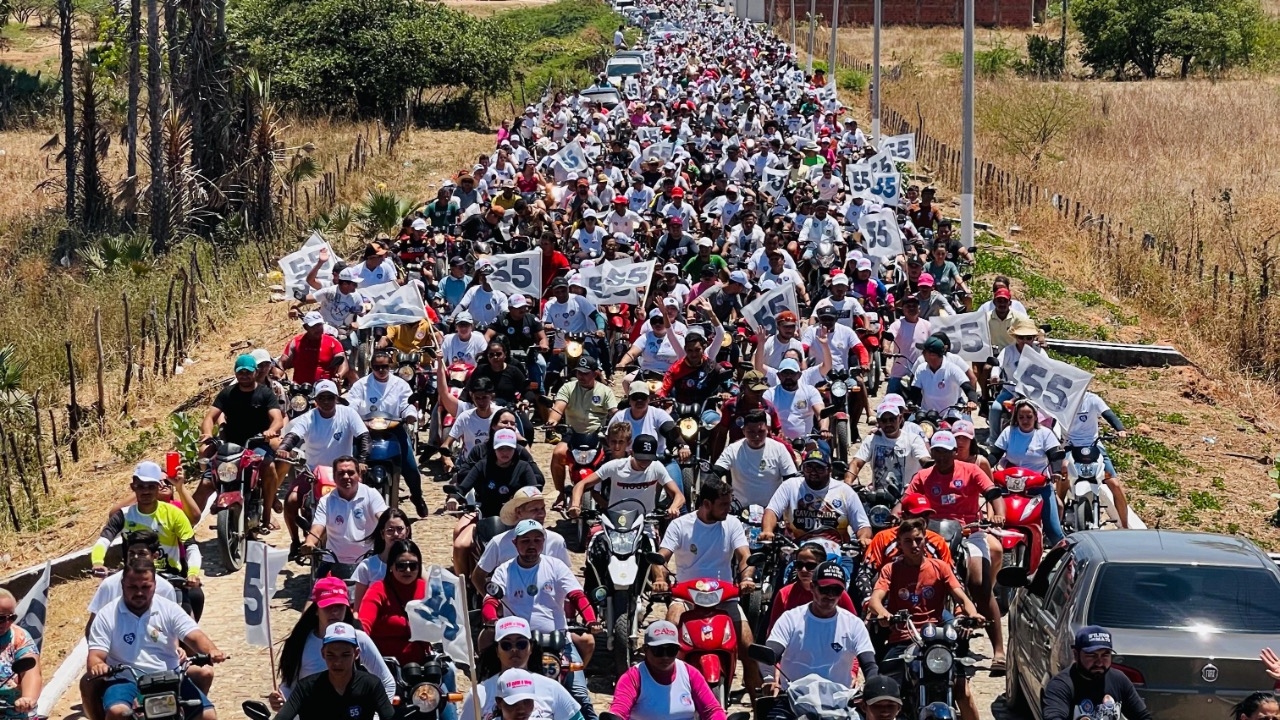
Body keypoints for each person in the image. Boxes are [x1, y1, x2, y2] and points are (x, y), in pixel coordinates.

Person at [903, 432, 1006, 673]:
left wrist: (999, 513)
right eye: (936, 451)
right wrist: (897, 513)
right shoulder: (923, 475)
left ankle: (999, 650)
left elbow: (993, 494)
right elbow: (906, 499)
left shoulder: (970, 470)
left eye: (945, 451)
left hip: (971, 532)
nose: (940, 456)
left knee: (980, 583)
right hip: (933, 534)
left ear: (954, 452)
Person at [651, 477, 762, 697]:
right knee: (668, 637)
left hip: (724, 598)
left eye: (729, 504)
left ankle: (759, 709)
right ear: (706, 504)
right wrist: (659, 578)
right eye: (723, 505)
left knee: (749, 650)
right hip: (686, 597)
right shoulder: (680, 525)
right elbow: (660, 558)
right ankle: (663, 693)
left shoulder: (732, 524)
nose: (728, 509)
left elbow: (744, 557)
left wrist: (747, 578)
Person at [482, 520, 601, 720]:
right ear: (515, 543)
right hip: (518, 644)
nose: (532, 545)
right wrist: (492, 618)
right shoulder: (504, 570)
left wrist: (591, 620)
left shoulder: (556, 566)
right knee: (492, 691)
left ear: (544, 542)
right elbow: (491, 599)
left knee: (580, 695)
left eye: (537, 540)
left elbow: (576, 595)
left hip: (559, 642)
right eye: (526, 540)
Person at [868, 518, 983, 720]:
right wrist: (884, 613)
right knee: (884, 693)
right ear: (899, 543)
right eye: (908, 541)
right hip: (904, 638)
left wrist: (972, 614)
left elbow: (961, 597)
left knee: (962, 691)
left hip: (936, 640)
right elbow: (875, 600)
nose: (914, 545)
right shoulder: (890, 570)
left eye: (918, 539)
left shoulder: (940, 567)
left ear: (925, 540)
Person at [86, 563, 226, 720]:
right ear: (123, 585)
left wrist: (211, 650)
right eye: (133, 587)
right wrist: (99, 666)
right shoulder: (107, 615)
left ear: (154, 585)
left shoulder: (169, 608)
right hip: (126, 680)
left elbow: (195, 636)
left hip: (171, 677)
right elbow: (96, 656)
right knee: (117, 712)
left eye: (145, 587)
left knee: (208, 716)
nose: (139, 592)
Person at [761, 562, 877, 718]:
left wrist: (873, 687)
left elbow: (869, 664)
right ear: (812, 587)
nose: (829, 595)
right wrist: (769, 679)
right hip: (792, 700)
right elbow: (768, 654)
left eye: (836, 590)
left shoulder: (854, 624)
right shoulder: (791, 618)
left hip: (839, 702)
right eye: (824, 589)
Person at [91, 461, 204, 619]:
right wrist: (97, 562)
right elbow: (103, 540)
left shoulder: (174, 514)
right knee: (102, 618)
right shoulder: (123, 515)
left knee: (187, 628)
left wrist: (192, 573)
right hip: (132, 577)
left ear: (158, 487)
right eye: (141, 486)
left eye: (151, 486)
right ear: (133, 487)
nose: (146, 491)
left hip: (169, 578)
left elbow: (191, 546)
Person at [278, 380, 370, 556]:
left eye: (330, 397)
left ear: (336, 398)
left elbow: (364, 436)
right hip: (313, 472)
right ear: (315, 400)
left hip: (344, 472)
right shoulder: (308, 418)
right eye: (322, 398)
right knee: (290, 501)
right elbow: (293, 435)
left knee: (364, 503)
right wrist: (284, 448)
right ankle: (296, 542)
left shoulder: (349, 414)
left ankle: (364, 541)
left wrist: (362, 460)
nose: (326, 401)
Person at [271, 577, 395, 709]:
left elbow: (387, 682)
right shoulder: (301, 643)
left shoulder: (360, 639)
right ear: (316, 610)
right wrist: (281, 701)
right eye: (328, 607)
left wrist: (377, 716)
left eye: (339, 607)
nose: (334, 612)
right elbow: (289, 686)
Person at [195, 354, 285, 524]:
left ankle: (267, 514)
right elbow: (209, 418)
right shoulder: (227, 393)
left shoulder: (265, 393)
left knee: (269, 466)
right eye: (240, 372)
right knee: (208, 477)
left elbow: (277, 419)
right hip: (229, 445)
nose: (244, 376)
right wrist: (207, 433)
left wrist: (270, 431)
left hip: (256, 443)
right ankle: (192, 521)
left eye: (248, 372)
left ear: (255, 372)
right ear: (235, 373)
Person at [346, 349, 427, 517]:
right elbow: (352, 403)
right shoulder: (361, 385)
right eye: (377, 367)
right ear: (371, 367)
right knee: (349, 463)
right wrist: (351, 415)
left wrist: (410, 414)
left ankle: (417, 496)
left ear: (390, 366)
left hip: (394, 428)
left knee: (411, 466)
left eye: (384, 366)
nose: (381, 370)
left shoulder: (400, 384)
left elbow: (407, 403)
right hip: (365, 430)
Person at [450, 429, 541, 579]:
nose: (505, 452)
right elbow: (463, 487)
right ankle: (464, 584)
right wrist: (454, 498)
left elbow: (533, 491)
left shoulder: (523, 467)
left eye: (509, 448)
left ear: (515, 449)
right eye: (501, 448)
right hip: (485, 518)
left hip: (517, 521)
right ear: (494, 448)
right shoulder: (482, 465)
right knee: (461, 545)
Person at [272, 622, 396, 720]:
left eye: (345, 655)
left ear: (356, 654)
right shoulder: (306, 688)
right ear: (323, 653)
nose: (337, 662)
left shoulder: (371, 685)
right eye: (331, 655)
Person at [460, 620, 582, 720]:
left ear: (531, 648)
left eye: (521, 644)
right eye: (506, 645)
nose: (514, 650)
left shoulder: (553, 688)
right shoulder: (478, 694)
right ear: (497, 650)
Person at [608, 621, 728, 720]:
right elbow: (619, 711)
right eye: (658, 651)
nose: (665, 657)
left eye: (671, 650)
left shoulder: (690, 673)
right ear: (645, 649)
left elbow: (712, 710)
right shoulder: (633, 678)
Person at [990, 398, 1068, 547]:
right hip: (1010, 484)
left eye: (1029, 417)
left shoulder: (1045, 434)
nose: (1025, 420)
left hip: (1038, 486)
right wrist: (984, 467)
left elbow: (1054, 454)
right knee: (992, 522)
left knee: (1054, 530)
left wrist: (1056, 471)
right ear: (1016, 418)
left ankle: (1066, 561)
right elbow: (995, 454)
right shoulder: (1009, 432)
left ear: (1036, 417)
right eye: (1021, 417)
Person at [545, 356, 618, 503]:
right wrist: (553, 420)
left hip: (598, 435)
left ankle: (609, 493)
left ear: (595, 373)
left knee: (615, 459)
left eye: (586, 373)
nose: (581, 376)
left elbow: (614, 412)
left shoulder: (605, 391)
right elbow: (559, 407)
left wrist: (620, 421)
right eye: (579, 372)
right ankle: (560, 492)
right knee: (558, 453)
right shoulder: (568, 387)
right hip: (573, 434)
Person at [472, 486, 570, 595]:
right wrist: (492, 602)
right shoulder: (499, 542)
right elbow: (478, 577)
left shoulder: (556, 541)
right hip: (512, 609)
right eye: (534, 510)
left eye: (542, 508)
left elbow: (566, 578)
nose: (542, 514)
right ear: (518, 512)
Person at [301, 456, 389, 575]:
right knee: (318, 590)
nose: (346, 477)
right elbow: (317, 530)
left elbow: (384, 518)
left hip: (368, 560)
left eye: (351, 473)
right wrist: (310, 542)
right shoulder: (326, 501)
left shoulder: (371, 495)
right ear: (334, 477)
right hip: (333, 561)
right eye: (341, 473)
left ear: (359, 475)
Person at [1041, 626, 1151, 720]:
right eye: (1091, 655)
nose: (1099, 662)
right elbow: (1054, 716)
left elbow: (1142, 716)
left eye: (1105, 655)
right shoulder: (1061, 685)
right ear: (1076, 654)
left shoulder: (1119, 680)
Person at [568, 434, 685, 519]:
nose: (644, 463)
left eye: (648, 459)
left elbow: (678, 495)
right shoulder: (615, 466)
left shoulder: (656, 467)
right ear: (632, 453)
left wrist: (674, 507)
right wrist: (575, 505)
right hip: (615, 518)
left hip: (645, 519)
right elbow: (581, 484)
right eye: (641, 458)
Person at [1064, 391, 1133, 529]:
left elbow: (1108, 414)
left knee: (1115, 484)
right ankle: (1058, 518)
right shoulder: (1062, 401)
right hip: (1069, 446)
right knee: (1062, 478)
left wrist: (1120, 429)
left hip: (1094, 445)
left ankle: (1124, 526)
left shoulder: (1092, 399)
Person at [763, 543, 856, 637]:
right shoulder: (784, 594)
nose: (803, 570)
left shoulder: (837, 592)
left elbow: (854, 627)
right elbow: (773, 632)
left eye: (810, 566)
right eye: (799, 565)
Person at [713, 409, 799, 509]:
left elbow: (791, 479)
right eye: (751, 432)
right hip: (740, 509)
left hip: (772, 510)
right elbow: (716, 473)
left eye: (761, 431)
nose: (756, 436)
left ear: (767, 430)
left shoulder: (779, 449)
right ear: (743, 431)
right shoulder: (733, 449)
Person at [849, 402, 932, 492]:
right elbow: (856, 463)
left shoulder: (913, 439)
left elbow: (924, 460)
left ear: (900, 418)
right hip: (878, 496)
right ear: (878, 421)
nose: (888, 423)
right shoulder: (872, 439)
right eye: (884, 420)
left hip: (907, 495)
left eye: (892, 419)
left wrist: (930, 463)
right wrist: (847, 484)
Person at [352, 509, 412, 607]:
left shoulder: (414, 566)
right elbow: (357, 609)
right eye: (390, 530)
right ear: (382, 534)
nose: (396, 534)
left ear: (407, 531)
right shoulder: (367, 567)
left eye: (400, 529)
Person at [0, 589, 41, 720]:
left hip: (13, 711)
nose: (7, 623)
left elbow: (30, 671)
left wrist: (27, 698)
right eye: (1, 618)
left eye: (11, 617)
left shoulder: (19, 637)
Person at [280, 312, 347, 385]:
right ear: (305, 327)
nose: (317, 329)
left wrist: (339, 375)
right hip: (301, 388)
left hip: (326, 388)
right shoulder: (296, 342)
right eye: (313, 326)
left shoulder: (333, 342)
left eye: (319, 325)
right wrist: (278, 374)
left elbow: (343, 363)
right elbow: (282, 362)